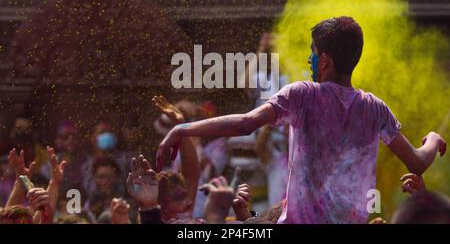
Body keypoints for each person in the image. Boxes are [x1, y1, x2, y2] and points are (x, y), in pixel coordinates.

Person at [156, 16, 447, 224]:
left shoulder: (303, 95)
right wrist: (433, 139)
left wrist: (183, 128)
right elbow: (418, 163)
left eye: (312, 52)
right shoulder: (375, 108)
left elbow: (246, 123)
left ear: (326, 61)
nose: (308, 60)